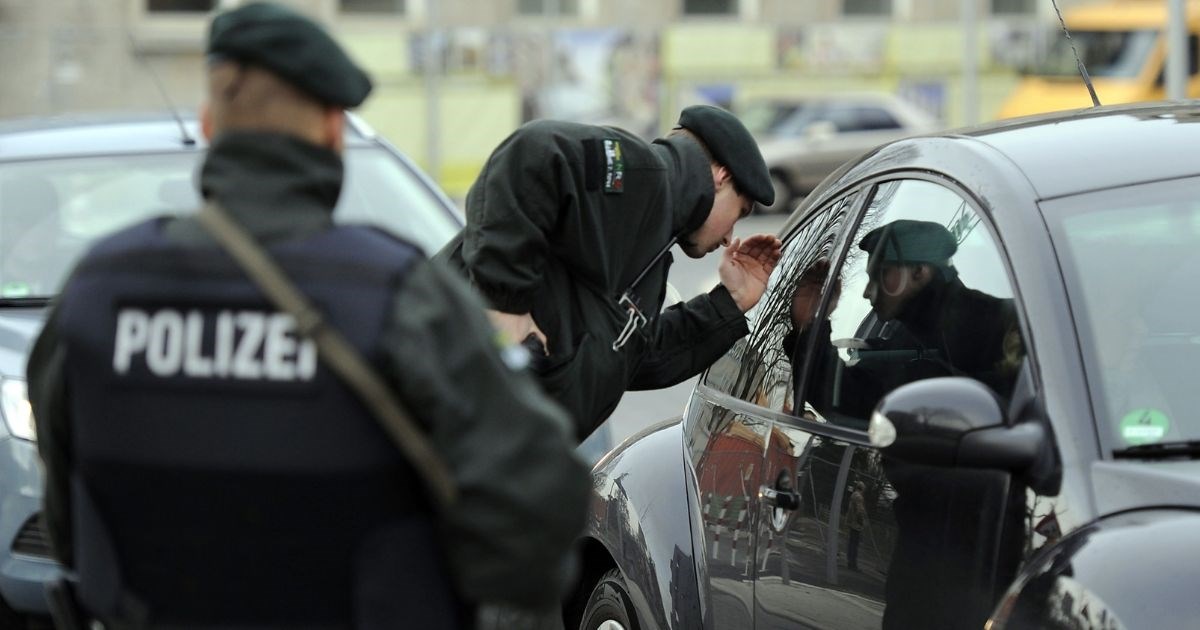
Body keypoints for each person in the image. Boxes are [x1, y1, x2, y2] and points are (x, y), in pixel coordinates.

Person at [27, 3, 589, 628]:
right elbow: (540, 506)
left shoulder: (97, 292)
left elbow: (68, 518)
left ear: (211, 126)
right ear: (330, 130)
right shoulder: (395, 293)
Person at [437, 105, 783, 438]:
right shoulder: (644, 175)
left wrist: (730, 303)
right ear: (721, 177)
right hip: (436, 415)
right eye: (739, 213)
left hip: (488, 447)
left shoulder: (653, 246)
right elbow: (531, 152)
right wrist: (505, 304)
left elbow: (632, 359)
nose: (728, 238)